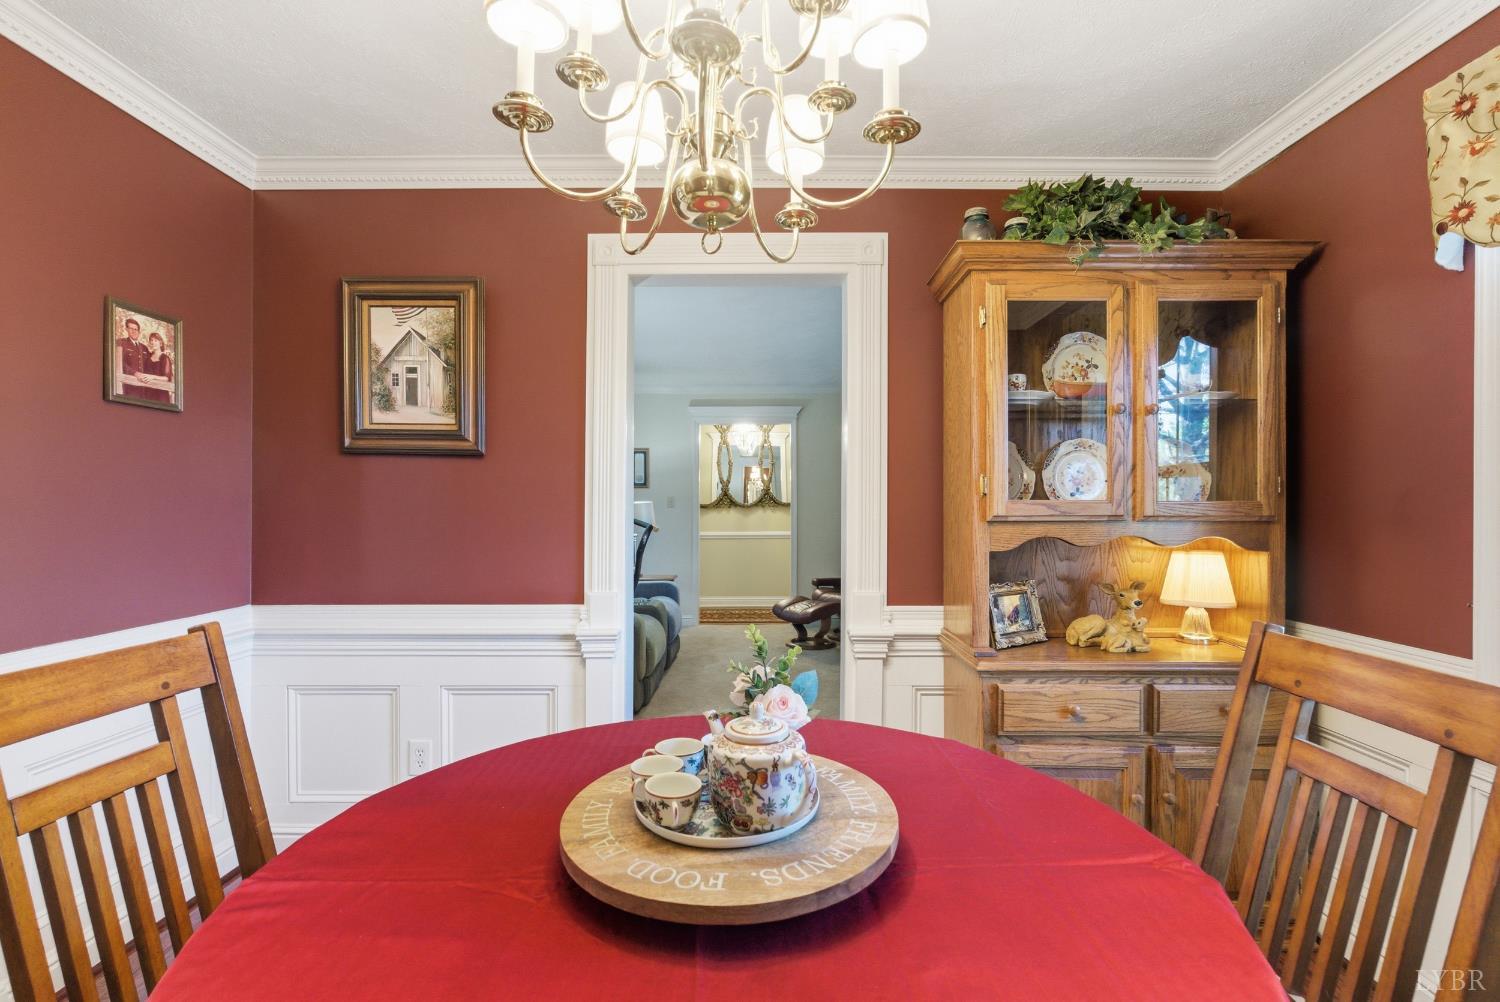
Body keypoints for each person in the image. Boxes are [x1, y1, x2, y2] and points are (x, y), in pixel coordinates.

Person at [137, 330, 174, 404]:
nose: (153, 342)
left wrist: (152, 377)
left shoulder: (165, 358)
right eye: (151, 340)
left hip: (161, 394)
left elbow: (166, 378)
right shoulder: (147, 357)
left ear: (160, 343)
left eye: (155, 340)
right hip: (148, 393)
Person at [116, 317, 149, 399]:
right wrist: (134, 373)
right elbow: (119, 363)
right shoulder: (121, 343)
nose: (134, 331)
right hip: (129, 386)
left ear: (139, 331)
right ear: (127, 329)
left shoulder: (144, 348)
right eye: (131, 329)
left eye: (136, 329)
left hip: (144, 388)